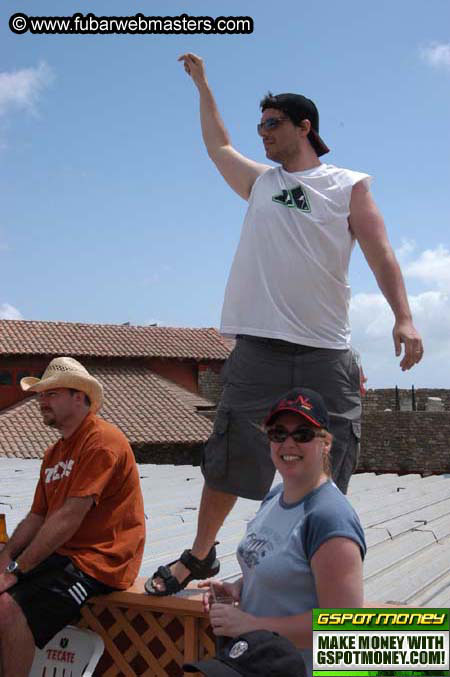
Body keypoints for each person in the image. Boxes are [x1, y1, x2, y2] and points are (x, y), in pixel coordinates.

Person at [146, 52, 423, 596]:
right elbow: (218, 146)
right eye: (259, 126)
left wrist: (405, 317)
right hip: (259, 350)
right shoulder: (261, 183)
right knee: (230, 455)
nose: (263, 135)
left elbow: (381, 252)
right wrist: (203, 84)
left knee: (329, 459)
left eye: (272, 125)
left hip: (325, 352)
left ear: (305, 127)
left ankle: (313, 563)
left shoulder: (348, 185)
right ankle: (199, 556)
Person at [198, 388, 366, 677]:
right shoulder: (275, 497)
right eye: (278, 434)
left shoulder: (329, 518)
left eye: (302, 434)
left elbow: (343, 627)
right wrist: (241, 586)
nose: (288, 443)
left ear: (325, 442)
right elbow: (279, 564)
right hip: (257, 663)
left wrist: (250, 624)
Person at [0, 357, 146, 677]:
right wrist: (6, 557)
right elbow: (37, 516)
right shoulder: (55, 453)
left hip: (101, 561)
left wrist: (16, 570)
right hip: (64, 555)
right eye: (40, 395)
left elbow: (69, 518)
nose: (42, 401)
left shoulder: (102, 440)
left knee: (8, 608)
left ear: (79, 397)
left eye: (51, 394)